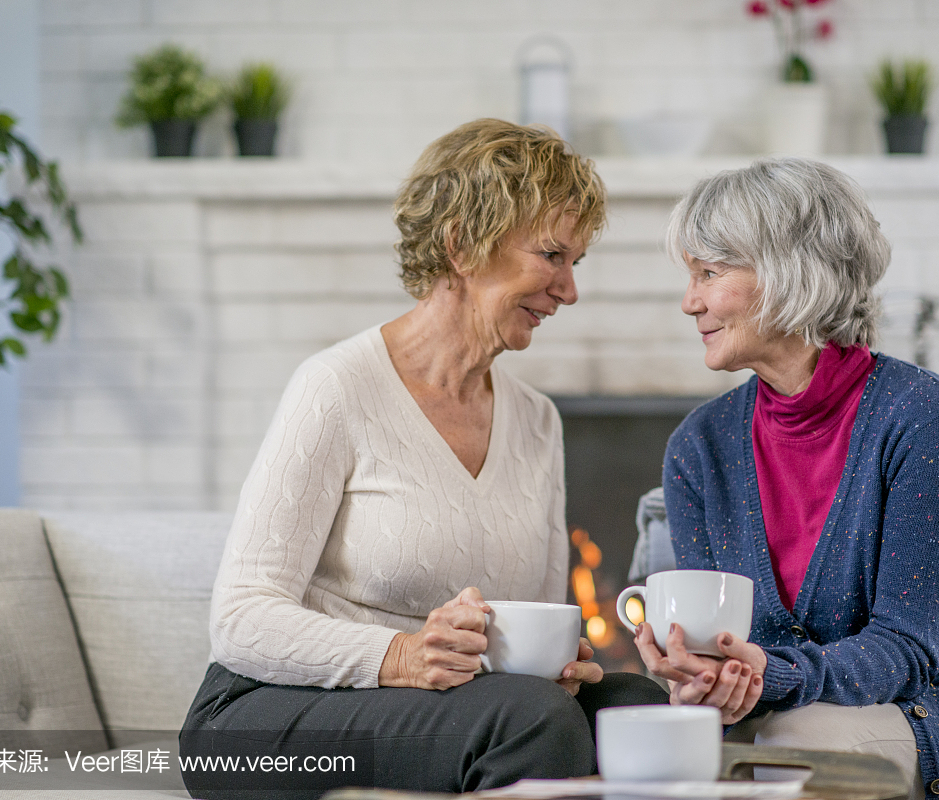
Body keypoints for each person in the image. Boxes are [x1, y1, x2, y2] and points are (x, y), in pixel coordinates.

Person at [180, 118, 666, 798]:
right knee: (532, 723)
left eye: (574, 264)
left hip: (456, 706)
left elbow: (533, 621)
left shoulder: (536, 421)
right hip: (265, 712)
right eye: (551, 255)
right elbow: (241, 618)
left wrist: (557, 663)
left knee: (634, 706)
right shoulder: (337, 386)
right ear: (463, 244)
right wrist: (400, 654)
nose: (568, 289)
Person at [633, 157, 939, 800]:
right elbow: (733, 654)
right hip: (791, 714)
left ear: (792, 274)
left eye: (709, 273)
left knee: (796, 746)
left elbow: (903, 651)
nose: (690, 301)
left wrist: (772, 676)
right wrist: (703, 676)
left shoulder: (922, 418)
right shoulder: (699, 450)